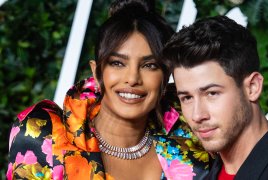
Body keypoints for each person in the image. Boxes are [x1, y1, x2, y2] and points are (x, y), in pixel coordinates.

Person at [7, 1, 211, 179]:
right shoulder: (44, 135)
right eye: (118, 63)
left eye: (150, 65)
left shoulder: (191, 132)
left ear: (166, 77)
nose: (132, 79)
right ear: (96, 72)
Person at [162, 15, 268, 179]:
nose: (197, 115)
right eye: (187, 98)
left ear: (253, 87)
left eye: (212, 93)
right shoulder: (207, 174)